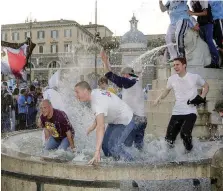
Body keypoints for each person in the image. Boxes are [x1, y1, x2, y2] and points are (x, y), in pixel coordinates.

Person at [154, 57, 209, 152]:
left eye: (177, 64)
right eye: (174, 65)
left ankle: (190, 152)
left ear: (184, 65)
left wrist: (202, 96)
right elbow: (166, 90)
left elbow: (206, 86)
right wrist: (158, 99)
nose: (175, 67)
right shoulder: (172, 79)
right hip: (177, 112)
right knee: (169, 138)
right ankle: (170, 157)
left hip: (190, 112)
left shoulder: (194, 77)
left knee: (185, 134)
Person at [74, 81, 136, 164]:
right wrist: (93, 126)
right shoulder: (94, 92)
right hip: (115, 120)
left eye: (77, 92)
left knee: (114, 149)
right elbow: (100, 115)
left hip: (126, 120)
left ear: (85, 91)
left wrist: (97, 151)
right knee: (105, 146)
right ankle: (113, 164)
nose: (76, 95)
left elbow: (101, 127)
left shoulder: (97, 102)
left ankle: (133, 165)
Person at [101, 49, 147, 150]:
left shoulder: (131, 81)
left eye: (123, 74)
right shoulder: (135, 82)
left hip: (135, 120)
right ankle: (142, 162)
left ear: (127, 75)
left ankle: (128, 163)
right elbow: (113, 75)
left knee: (125, 146)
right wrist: (107, 63)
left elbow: (113, 77)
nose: (122, 76)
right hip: (142, 119)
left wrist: (104, 62)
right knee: (139, 147)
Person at [189, 0, 220, 68]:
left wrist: (192, 13)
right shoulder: (191, 2)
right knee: (204, 42)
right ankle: (210, 59)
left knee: (209, 41)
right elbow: (194, 13)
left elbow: (205, 13)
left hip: (208, 23)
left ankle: (216, 61)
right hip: (200, 24)